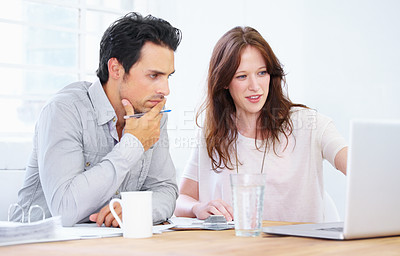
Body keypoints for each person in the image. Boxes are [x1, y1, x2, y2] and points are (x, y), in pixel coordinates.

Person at [11, 12, 182, 227]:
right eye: (153, 76)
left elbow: (165, 189)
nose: (165, 90)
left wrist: (136, 209)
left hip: (107, 245)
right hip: (40, 245)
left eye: (168, 76)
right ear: (116, 69)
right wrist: (133, 143)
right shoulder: (64, 110)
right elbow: (65, 210)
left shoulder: (150, 111)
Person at [174, 26, 348, 223]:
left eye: (262, 73)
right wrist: (198, 208)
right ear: (224, 81)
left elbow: (357, 167)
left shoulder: (310, 124)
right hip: (232, 249)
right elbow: (181, 199)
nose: (255, 86)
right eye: (242, 76)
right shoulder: (214, 132)